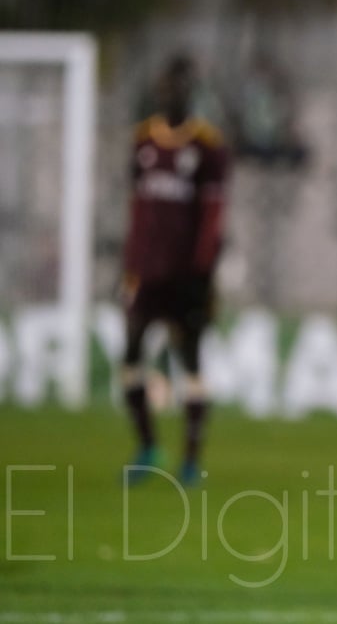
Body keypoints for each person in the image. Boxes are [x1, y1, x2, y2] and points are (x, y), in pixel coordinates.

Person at [120, 55, 230, 486]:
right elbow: (136, 205)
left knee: (191, 361)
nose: (172, 94)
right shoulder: (143, 139)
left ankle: (189, 459)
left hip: (187, 274)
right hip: (145, 270)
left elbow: (214, 214)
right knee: (130, 354)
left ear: (192, 92)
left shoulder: (207, 144)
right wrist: (130, 261)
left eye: (181, 87)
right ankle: (147, 445)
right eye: (167, 86)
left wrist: (202, 270)